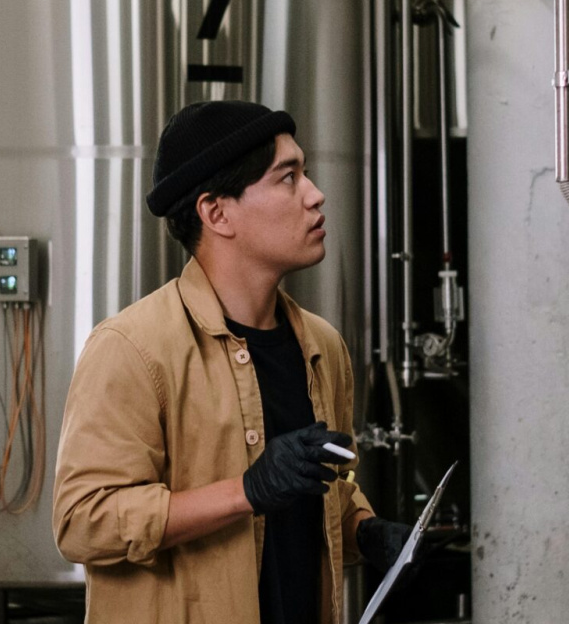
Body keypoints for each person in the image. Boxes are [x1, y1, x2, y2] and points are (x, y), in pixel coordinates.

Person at [52, 100, 412, 623]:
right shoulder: (132, 348)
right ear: (216, 212)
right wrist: (246, 491)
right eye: (287, 178)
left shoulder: (321, 345)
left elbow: (320, 493)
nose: (315, 195)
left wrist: (364, 530)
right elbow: (82, 521)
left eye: (305, 173)